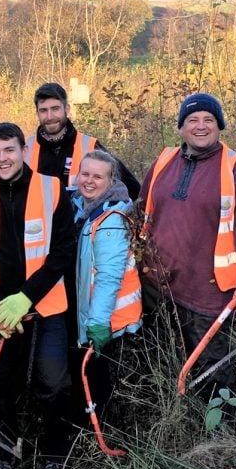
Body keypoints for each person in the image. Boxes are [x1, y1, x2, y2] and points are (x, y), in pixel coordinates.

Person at [0, 123, 76, 469]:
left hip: (45, 307)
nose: (2, 159)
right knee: (0, 385)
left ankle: (55, 455)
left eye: (9, 150)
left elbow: (63, 251)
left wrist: (26, 296)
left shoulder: (51, 189)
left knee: (53, 383)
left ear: (24, 151)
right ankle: (4, 455)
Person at [136, 93, 236, 398]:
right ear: (181, 128)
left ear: (219, 125)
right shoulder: (164, 161)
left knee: (212, 368)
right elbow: (141, 210)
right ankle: (167, 413)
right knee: (160, 355)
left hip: (208, 292)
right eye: (192, 120)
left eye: (208, 120)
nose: (201, 126)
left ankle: (216, 436)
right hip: (158, 284)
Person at [71, 150, 142, 422]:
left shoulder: (111, 219)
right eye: (85, 174)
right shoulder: (83, 207)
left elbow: (108, 276)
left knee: (102, 382)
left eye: (98, 177)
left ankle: (103, 435)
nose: (89, 181)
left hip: (108, 322)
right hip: (93, 315)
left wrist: (97, 322)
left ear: (111, 181)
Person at [27, 82, 141, 200]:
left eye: (55, 109)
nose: (50, 116)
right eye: (43, 110)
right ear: (37, 113)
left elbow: (133, 189)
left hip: (79, 218)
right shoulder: (25, 149)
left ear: (67, 109)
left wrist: (105, 212)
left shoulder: (90, 146)